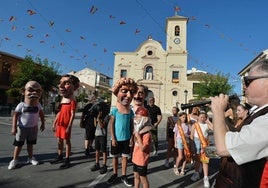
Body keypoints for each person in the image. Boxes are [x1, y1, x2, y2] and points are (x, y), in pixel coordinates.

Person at [210, 58, 268, 188]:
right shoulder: (257, 111)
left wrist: (218, 112)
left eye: (248, 81)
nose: (244, 86)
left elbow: (223, 148)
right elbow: (232, 137)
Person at [107, 77, 138, 187]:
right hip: (116, 139)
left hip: (126, 138)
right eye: (124, 91)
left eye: (131, 92)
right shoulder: (114, 110)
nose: (129, 95)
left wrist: (131, 138)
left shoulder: (130, 111)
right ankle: (115, 173)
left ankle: (124, 175)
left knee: (125, 157)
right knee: (115, 157)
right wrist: (113, 138)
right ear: (117, 92)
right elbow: (112, 125)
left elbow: (131, 125)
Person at [8, 81, 45, 170]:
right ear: (23, 92)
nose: (34, 92)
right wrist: (14, 127)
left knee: (30, 144)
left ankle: (30, 158)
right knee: (19, 145)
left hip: (33, 128)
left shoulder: (38, 105)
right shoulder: (21, 105)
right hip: (22, 128)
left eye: (37, 91)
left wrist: (43, 123)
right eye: (30, 90)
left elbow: (41, 114)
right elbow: (15, 115)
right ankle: (15, 160)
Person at [214, 103, 250, 188]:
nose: (237, 112)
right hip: (228, 158)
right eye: (236, 110)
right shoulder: (238, 121)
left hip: (235, 159)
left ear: (246, 111)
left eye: (239, 110)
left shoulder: (247, 124)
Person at [51, 74, 80, 169]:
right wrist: (54, 122)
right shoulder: (63, 99)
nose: (61, 86)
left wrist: (69, 126)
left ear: (75, 86)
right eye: (60, 83)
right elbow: (59, 112)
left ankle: (67, 159)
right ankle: (60, 156)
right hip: (60, 123)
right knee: (59, 140)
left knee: (67, 141)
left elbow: (72, 114)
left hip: (66, 124)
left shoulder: (72, 100)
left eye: (67, 83)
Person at [190, 111, 213, 188]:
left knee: (205, 160)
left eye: (204, 117)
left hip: (205, 143)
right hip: (196, 141)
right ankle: (196, 173)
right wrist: (192, 145)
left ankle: (206, 177)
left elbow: (214, 129)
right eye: (201, 117)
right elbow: (191, 136)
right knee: (197, 159)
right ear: (198, 117)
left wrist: (209, 121)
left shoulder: (207, 125)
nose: (203, 119)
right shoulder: (195, 125)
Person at [132, 107, 152, 188]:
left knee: (143, 179)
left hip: (142, 160)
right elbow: (134, 142)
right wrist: (134, 137)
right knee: (136, 176)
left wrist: (138, 136)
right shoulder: (138, 130)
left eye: (138, 117)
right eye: (136, 117)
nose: (136, 119)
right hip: (135, 158)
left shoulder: (147, 134)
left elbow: (143, 148)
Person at [90, 106, 109, 174]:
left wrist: (98, 118)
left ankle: (104, 165)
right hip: (97, 134)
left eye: (100, 111)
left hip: (103, 135)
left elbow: (102, 126)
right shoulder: (98, 117)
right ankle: (97, 163)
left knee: (104, 151)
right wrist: (95, 117)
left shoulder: (106, 117)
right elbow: (95, 125)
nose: (99, 112)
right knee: (97, 150)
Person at [173, 112, 191, 176]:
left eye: (185, 117)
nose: (184, 118)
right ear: (180, 117)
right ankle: (176, 167)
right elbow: (175, 134)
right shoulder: (177, 124)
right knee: (180, 156)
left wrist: (188, 135)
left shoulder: (187, 124)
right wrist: (175, 142)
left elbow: (190, 133)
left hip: (186, 141)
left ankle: (183, 169)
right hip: (179, 140)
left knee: (186, 156)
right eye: (183, 117)